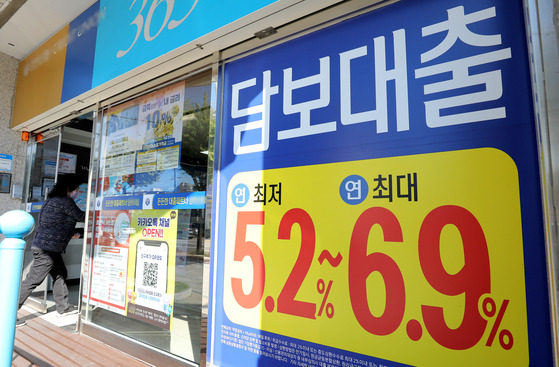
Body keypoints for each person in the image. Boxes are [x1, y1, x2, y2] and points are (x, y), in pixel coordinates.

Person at [17, 174, 86, 326]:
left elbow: (58, 224)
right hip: (47, 250)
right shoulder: (65, 202)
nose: (78, 192)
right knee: (33, 280)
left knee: (61, 273)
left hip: (46, 247)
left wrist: (76, 233)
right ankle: (8, 313)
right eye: (77, 189)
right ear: (69, 189)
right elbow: (82, 217)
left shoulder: (51, 201)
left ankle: (64, 307)